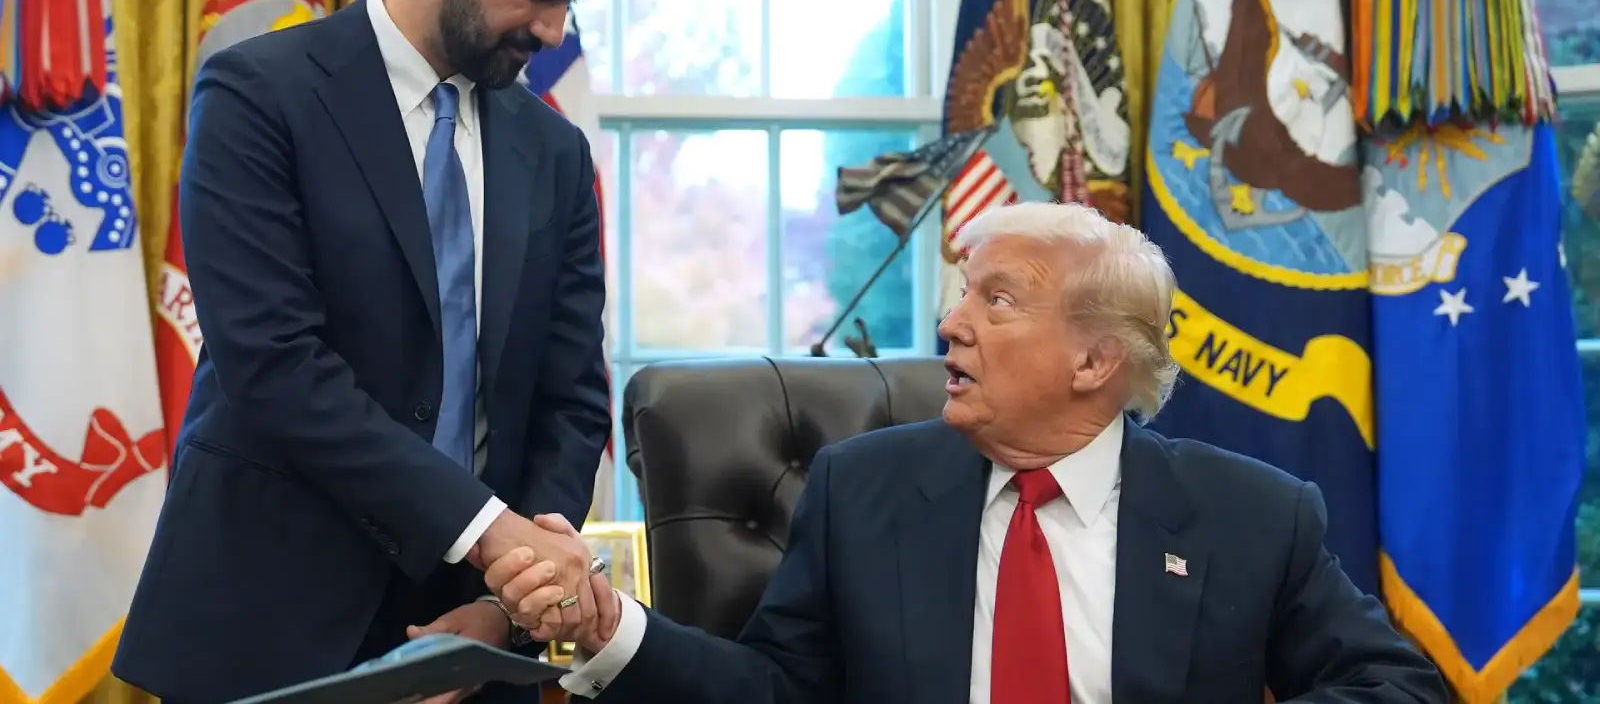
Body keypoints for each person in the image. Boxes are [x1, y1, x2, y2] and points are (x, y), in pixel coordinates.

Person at [486, 201, 1449, 704]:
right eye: (961, 295)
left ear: (1095, 360)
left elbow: (1399, 686)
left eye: (998, 300)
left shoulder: (1250, 514)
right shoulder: (862, 490)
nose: (951, 324)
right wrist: (611, 627)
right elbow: (776, 691)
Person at [111, 0, 624, 702]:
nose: (552, 30)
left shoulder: (554, 151)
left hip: (473, 632)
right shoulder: (258, 95)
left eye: (571, 2)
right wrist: (490, 532)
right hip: (266, 621)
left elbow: (572, 397)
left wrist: (510, 600)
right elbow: (275, 366)